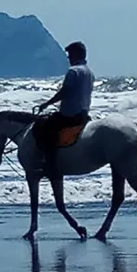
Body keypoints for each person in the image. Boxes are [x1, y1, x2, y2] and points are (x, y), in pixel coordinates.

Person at [35, 41, 94, 178]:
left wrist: (47, 104)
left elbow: (65, 92)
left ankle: (50, 165)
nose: (68, 58)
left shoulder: (73, 71)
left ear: (75, 54)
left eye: (69, 55)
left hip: (70, 114)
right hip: (84, 113)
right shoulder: (89, 72)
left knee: (46, 127)